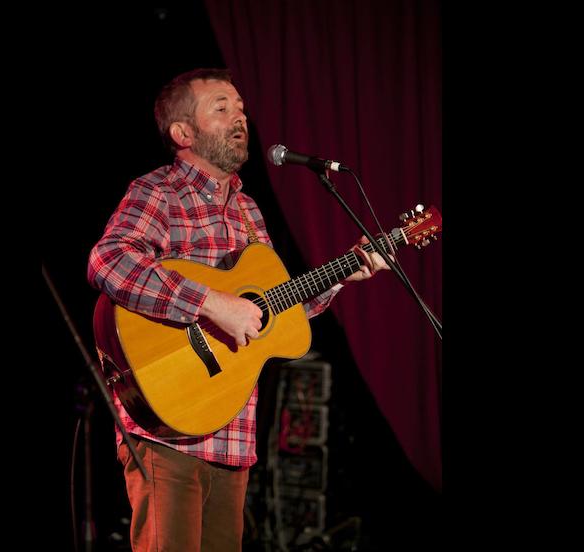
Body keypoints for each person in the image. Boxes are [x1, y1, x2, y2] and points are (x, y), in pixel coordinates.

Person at [87, 68, 389, 551]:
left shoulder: (249, 211)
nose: (239, 117)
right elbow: (110, 261)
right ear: (182, 133)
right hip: (168, 430)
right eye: (221, 108)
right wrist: (210, 303)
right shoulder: (159, 192)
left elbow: (269, 313)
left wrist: (343, 273)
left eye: (242, 108)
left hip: (233, 435)